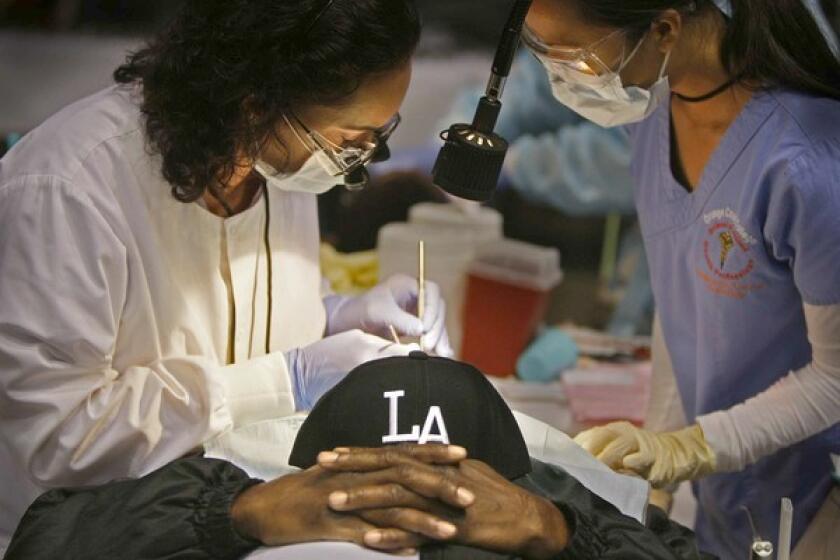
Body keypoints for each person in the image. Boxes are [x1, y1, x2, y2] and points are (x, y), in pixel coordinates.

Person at [0, 0, 454, 552]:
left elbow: (250, 325)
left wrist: (344, 314)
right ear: (254, 104)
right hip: (98, 533)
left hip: (240, 513)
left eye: (376, 138)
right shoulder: (70, 188)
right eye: (347, 140)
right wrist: (284, 380)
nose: (356, 164)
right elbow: (54, 439)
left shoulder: (275, 160)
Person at [521, 0, 840, 557]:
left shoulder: (807, 164)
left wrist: (690, 447)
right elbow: (683, 297)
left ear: (665, 29)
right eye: (541, 51)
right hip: (727, 492)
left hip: (815, 502)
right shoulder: (654, 111)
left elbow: (836, 380)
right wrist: (656, 467)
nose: (562, 78)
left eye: (578, 57)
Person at [5, 354, 711, 560]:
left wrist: (566, 530)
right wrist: (227, 511)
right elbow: (44, 538)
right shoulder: (242, 499)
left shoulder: (551, 513)